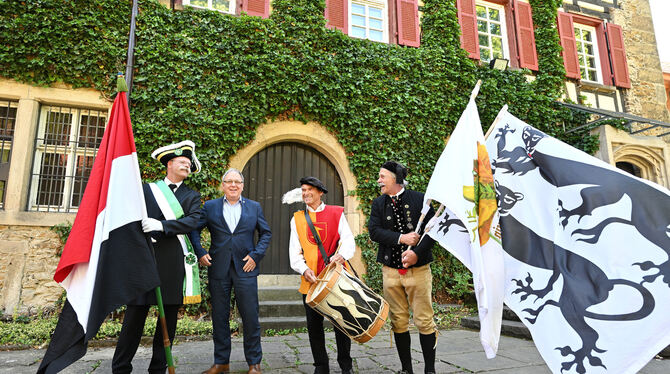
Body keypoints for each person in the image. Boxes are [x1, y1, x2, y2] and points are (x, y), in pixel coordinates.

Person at [112, 140, 203, 374]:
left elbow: (194, 221)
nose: (187, 166)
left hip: (172, 261)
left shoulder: (192, 195)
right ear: (169, 163)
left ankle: (158, 368)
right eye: (183, 162)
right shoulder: (145, 190)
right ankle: (121, 367)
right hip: (144, 259)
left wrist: (162, 226)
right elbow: (130, 216)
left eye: (189, 164)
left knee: (167, 319)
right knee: (134, 317)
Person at [190, 168, 271, 374]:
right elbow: (194, 230)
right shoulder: (210, 207)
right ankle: (221, 362)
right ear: (223, 185)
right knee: (219, 316)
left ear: (242, 185)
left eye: (237, 181)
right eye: (229, 181)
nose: (233, 185)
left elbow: (266, 234)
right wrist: (200, 252)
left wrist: (255, 255)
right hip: (219, 268)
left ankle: (254, 363)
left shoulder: (254, 207)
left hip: (246, 268)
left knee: (250, 316)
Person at [368, 161, 437, 374]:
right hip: (390, 272)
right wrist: (402, 238)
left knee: (424, 320)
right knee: (398, 320)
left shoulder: (420, 199)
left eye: (382, 176)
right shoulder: (378, 203)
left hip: (419, 271)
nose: (378, 180)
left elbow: (433, 230)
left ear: (395, 178)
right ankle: (407, 369)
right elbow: (374, 231)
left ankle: (429, 370)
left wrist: (416, 253)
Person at [288, 176, 355, 374]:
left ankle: (346, 365)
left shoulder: (336, 213)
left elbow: (348, 241)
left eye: (310, 190)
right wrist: (304, 269)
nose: (306, 193)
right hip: (311, 281)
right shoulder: (297, 218)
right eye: (303, 190)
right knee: (314, 327)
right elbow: (294, 252)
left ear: (320, 192)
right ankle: (321, 366)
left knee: (341, 324)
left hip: (335, 279)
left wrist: (341, 255)